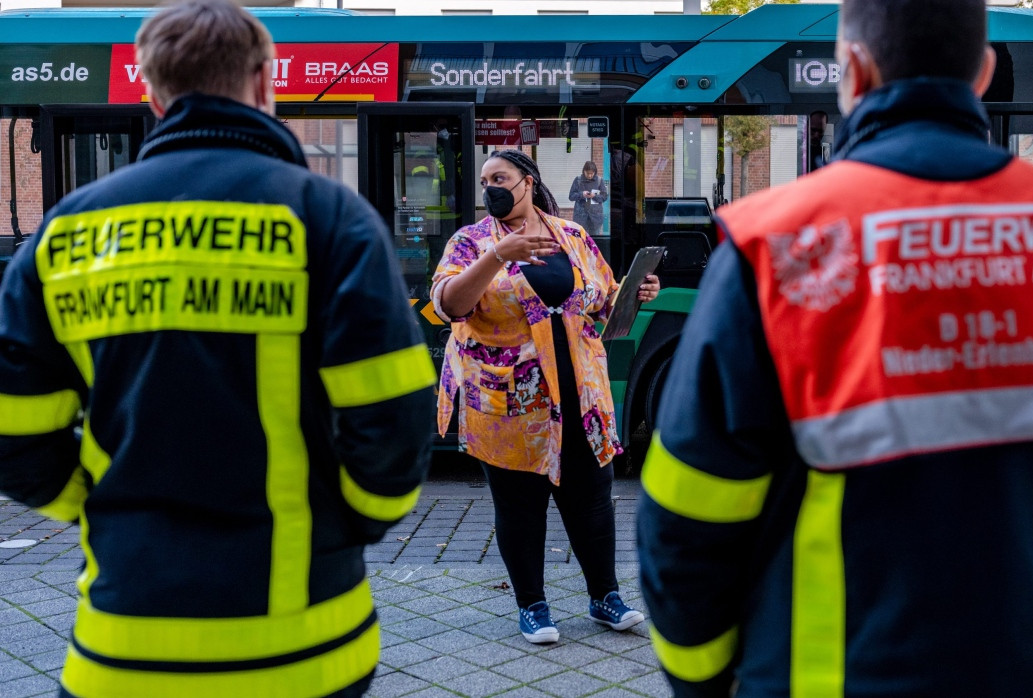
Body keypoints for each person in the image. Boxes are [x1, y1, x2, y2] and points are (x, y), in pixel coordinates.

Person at [635, 0, 1033, 696]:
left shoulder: (776, 247)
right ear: (982, 73)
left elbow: (685, 528)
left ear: (853, 71)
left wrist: (703, 682)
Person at [0, 1, 435, 696]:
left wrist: (97, 506)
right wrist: (350, 522)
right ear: (266, 83)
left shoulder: (65, 235)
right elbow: (396, 420)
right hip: (308, 648)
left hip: (123, 652)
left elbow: (12, 434)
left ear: (149, 91)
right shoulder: (329, 218)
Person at [431, 148, 659, 644]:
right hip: (508, 402)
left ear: (527, 181)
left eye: (501, 177)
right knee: (519, 506)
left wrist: (634, 292)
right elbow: (448, 305)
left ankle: (605, 598)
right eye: (485, 179)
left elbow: (600, 302)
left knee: (594, 502)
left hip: (581, 395)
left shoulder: (572, 237)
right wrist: (497, 257)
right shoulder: (471, 242)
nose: (491, 186)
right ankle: (532, 607)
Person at [568, 160, 609, 237]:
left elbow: (605, 196)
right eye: (588, 173)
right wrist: (581, 194)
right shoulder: (578, 180)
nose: (590, 176)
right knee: (580, 240)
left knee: (595, 240)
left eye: (592, 173)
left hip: (595, 218)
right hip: (580, 218)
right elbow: (571, 196)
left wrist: (594, 196)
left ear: (595, 172)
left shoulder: (599, 181)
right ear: (584, 171)